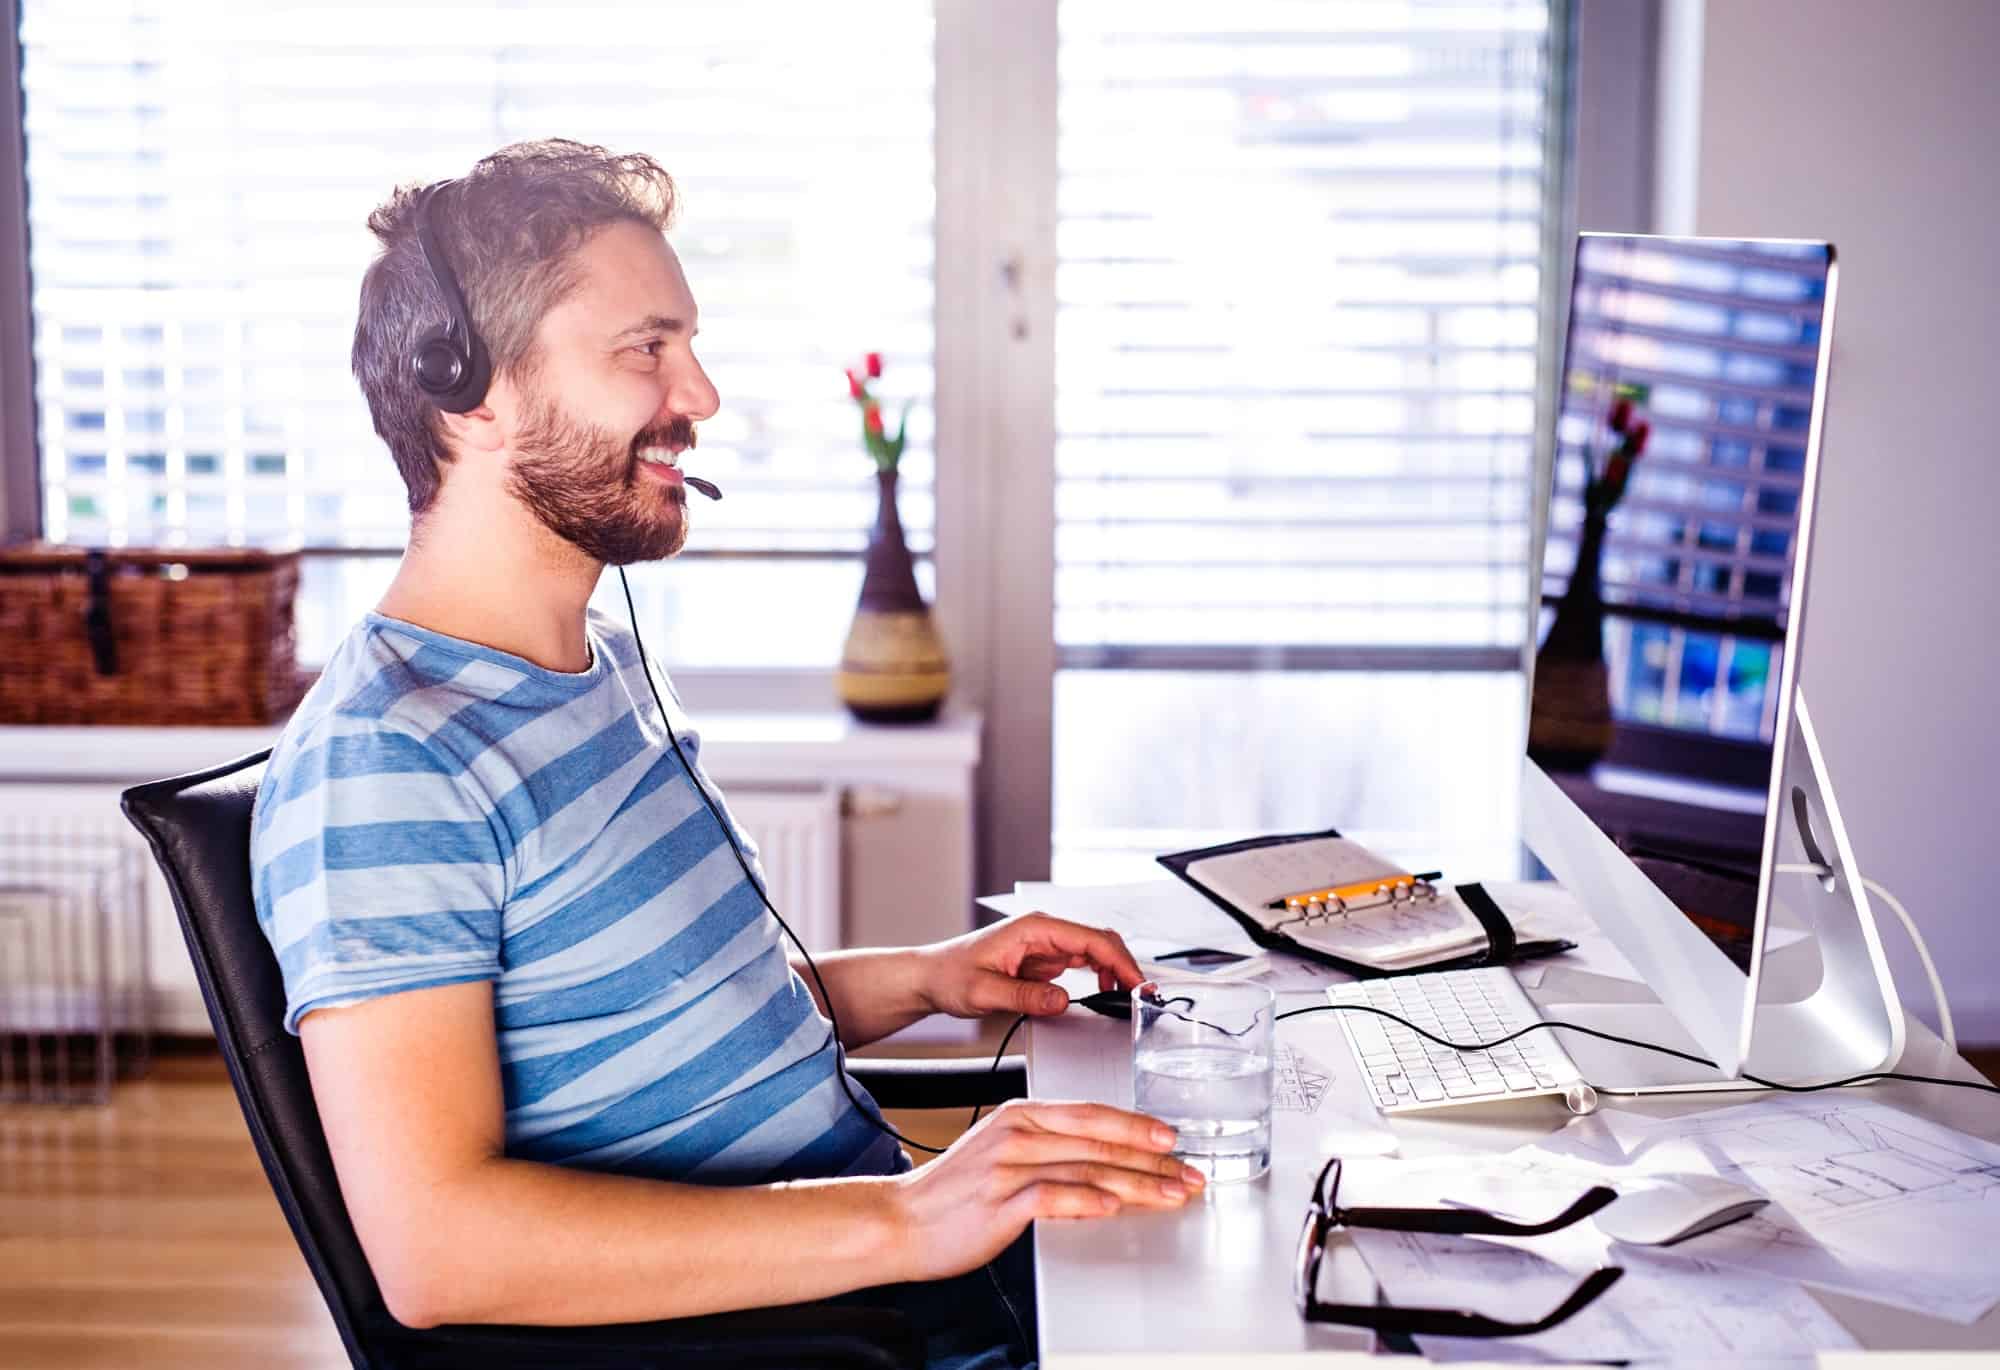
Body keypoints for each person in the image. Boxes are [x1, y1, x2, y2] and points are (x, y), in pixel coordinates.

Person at [248, 139, 1200, 1370]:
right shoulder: (389, 761)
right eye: (645, 349)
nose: (698, 396)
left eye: (685, 344)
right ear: (469, 392)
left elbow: (664, 1031)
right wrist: (912, 1214)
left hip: (905, 1284)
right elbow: (438, 1250)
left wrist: (922, 977)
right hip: (835, 1332)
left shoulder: (594, 666)